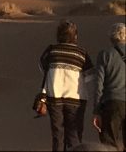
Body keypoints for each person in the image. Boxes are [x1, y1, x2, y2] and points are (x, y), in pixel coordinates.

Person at [41, 20, 95, 151]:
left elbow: (43, 68)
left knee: (57, 135)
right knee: (74, 136)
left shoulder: (51, 50)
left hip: (54, 97)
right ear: (75, 36)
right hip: (76, 98)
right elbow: (90, 75)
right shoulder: (82, 53)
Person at [91, 22, 125, 151]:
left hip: (112, 104)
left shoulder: (105, 54)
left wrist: (96, 111)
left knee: (110, 145)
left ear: (111, 38)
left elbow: (98, 84)